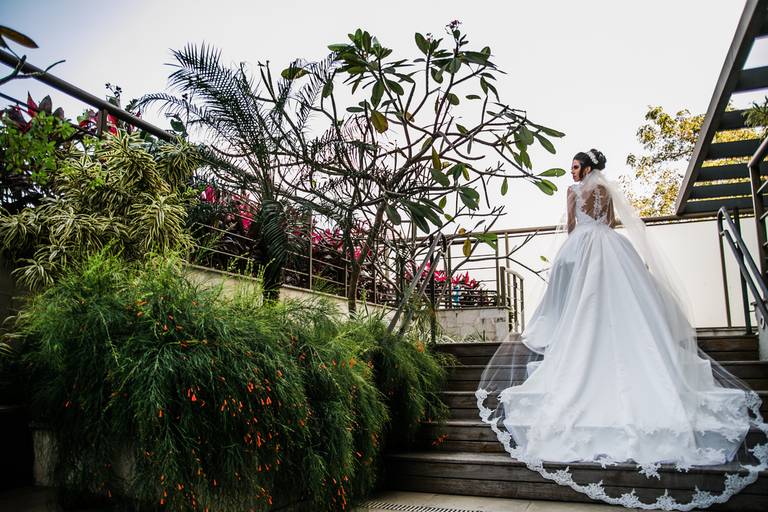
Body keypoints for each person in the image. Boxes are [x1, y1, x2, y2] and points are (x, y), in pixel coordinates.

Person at [475, 148, 768, 510]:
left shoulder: (572, 192)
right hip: (609, 246)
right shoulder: (607, 190)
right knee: (618, 298)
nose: (573, 172)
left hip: (582, 245)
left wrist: (578, 236)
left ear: (586, 168)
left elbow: (570, 225)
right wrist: (596, 228)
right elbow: (611, 222)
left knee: (584, 300)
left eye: (576, 166)